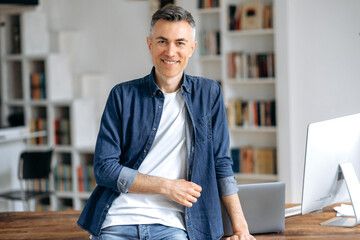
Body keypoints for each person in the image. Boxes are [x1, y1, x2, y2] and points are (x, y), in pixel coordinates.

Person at [77, 5, 255, 240]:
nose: (170, 51)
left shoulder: (209, 94)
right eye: (162, 41)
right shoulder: (122, 95)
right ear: (150, 45)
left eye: (180, 43)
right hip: (118, 220)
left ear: (192, 48)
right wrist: (167, 186)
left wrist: (242, 230)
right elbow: (103, 169)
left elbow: (221, 163)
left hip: (173, 225)